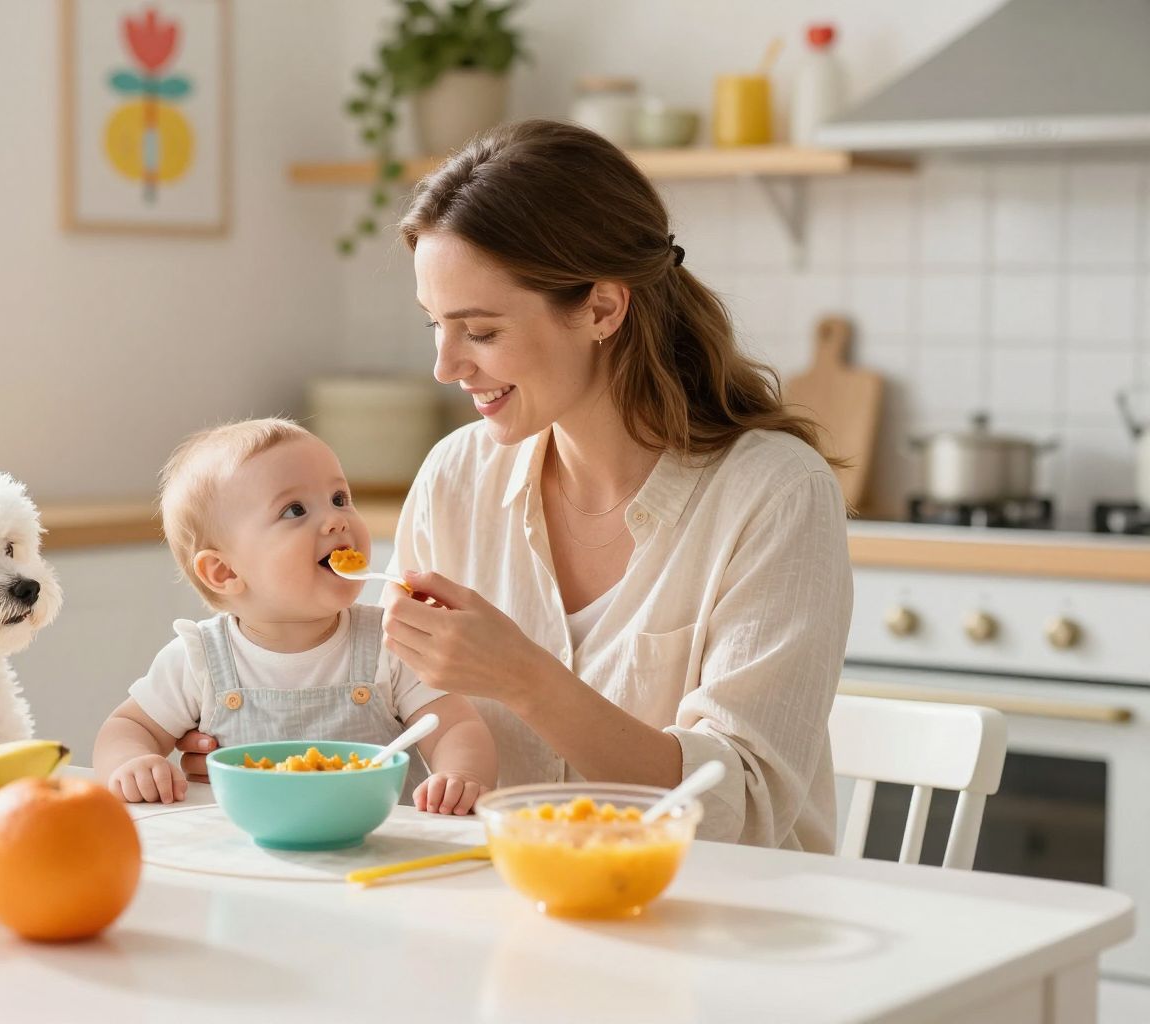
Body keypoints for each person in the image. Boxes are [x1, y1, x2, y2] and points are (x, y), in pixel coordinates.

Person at [183, 119, 852, 852]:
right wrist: (245, 744)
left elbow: (744, 809)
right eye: (435, 325)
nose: (445, 366)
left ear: (602, 309)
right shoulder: (455, 478)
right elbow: (399, 725)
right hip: (492, 900)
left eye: (481, 331)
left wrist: (528, 680)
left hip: (719, 908)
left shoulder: (775, 495)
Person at [93, 417, 497, 814]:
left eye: (339, 498)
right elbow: (129, 728)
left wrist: (460, 774)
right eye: (295, 510)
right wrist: (133, 763)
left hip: (376, 842)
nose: (336, 520)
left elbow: (454, 726)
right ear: (225, 571)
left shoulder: (389, 643)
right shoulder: (199, 659)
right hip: (245, 848)